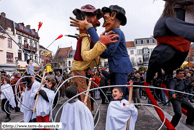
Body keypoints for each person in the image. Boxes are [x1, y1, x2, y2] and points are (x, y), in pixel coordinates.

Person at [70, 5, 134, 98]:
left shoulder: (116, 32)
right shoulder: (113, 32)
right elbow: (101, 46)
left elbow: (105, 52)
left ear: (114, 16)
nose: (102, 23)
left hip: (120, 68)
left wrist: (90, 28)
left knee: (118, 96)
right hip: (117, 68)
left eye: (105, 18)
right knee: (117, 95)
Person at [71, 4, 119, 110]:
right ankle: (85, 111)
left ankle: (88, 109)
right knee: (84, 91)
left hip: (84, 67)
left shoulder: (86, 37)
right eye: (95, 17)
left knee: (88, 90)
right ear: (86, 19)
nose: (97, 21)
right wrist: (101, 44)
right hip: (79, 68)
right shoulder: (84, 39)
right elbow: (86, 55)